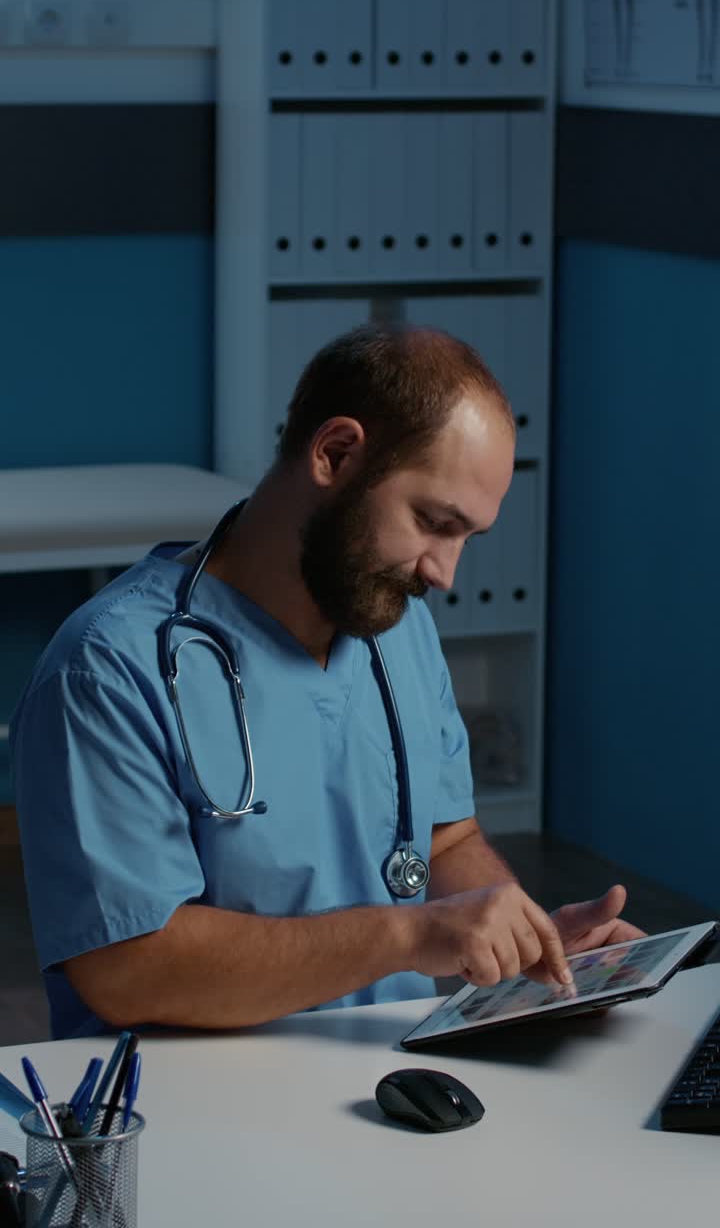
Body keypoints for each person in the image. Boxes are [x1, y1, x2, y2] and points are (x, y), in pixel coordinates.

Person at [11, 324, 641, 1039]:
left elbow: (444, 840)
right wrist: (409, 935)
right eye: (434, 522)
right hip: (195, 1104)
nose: (445, 572)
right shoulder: (108, 667)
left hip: (388, 1071)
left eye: (467, 537)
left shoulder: (395, 624)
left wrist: (526, 941)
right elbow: (128, 968)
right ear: (335, 454)